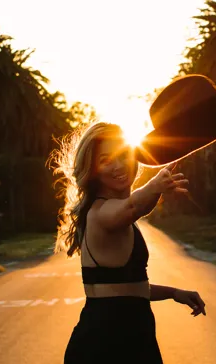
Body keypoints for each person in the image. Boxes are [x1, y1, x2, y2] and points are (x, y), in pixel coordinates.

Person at [52, 121, 206, 364]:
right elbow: (134, 205)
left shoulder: (115, 216)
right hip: (105, 346)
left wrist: (174, 293)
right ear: (92, 171)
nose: (118, 165)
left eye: (123, 154)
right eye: (105, 160)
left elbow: (127, 290)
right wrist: (156, 185)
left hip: (132, 338)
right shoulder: (101, 213)